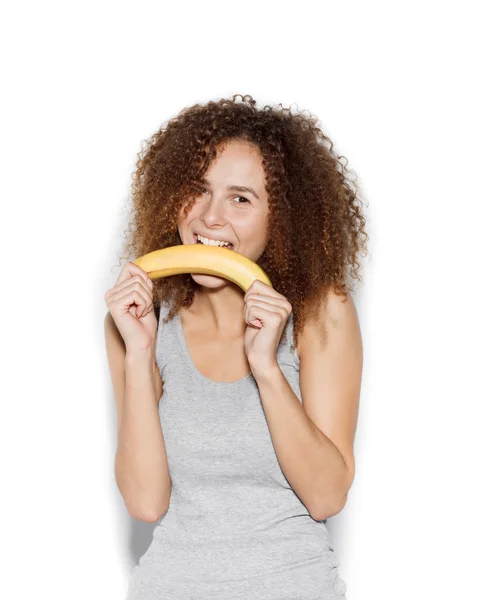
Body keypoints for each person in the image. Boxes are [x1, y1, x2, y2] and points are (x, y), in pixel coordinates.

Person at [104, 94, 366, 600]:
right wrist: (139, 353)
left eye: (240, 198)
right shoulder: (141, 320)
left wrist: (265, 366)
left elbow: (327, 496)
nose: (209, 218)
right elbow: (145, 502)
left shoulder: (321, 312)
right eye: (196, 190)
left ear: (282, 219)